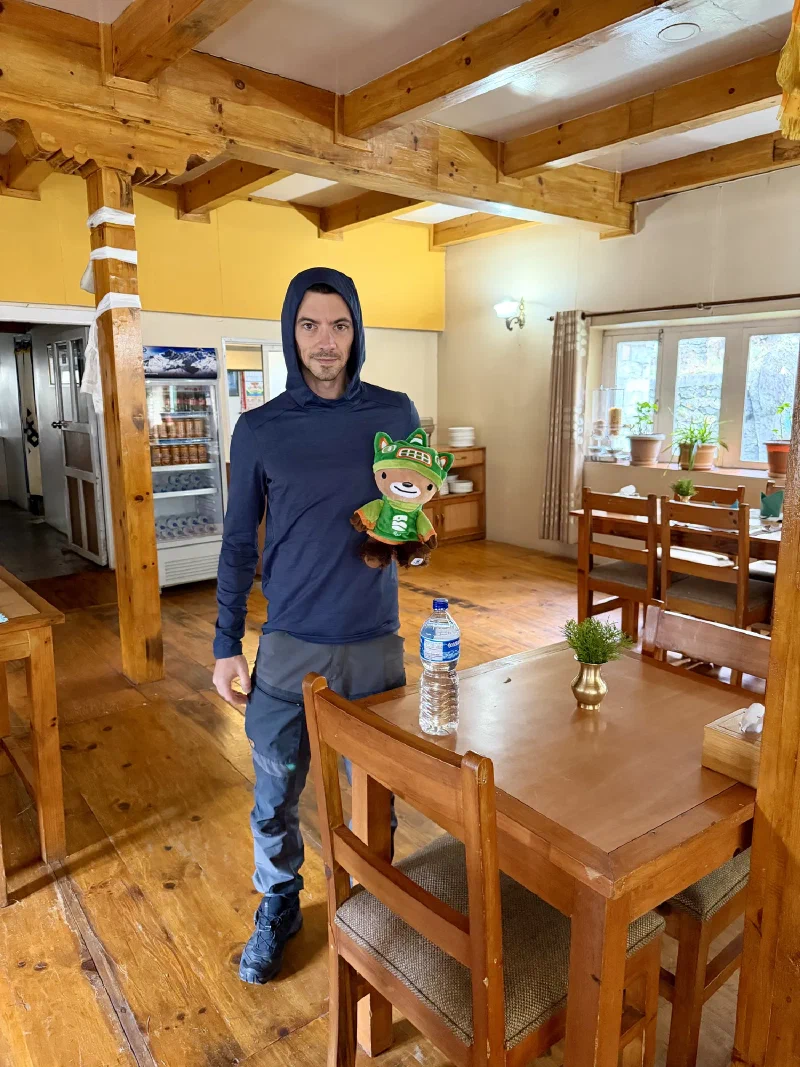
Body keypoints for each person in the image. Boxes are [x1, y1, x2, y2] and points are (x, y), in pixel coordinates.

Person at [212, 267, 419, 984]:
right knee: (275, 787)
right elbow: (240, 541)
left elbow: (414, 511)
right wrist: (223, 644)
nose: (325, 342)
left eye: (338, 324)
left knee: (379, 794)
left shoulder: (396, 413)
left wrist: (414, 534)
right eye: (310, 325)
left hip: (374, 640)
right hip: (289, 643)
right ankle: (280, 902)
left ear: (356, 329)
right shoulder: (261, 427)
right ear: (290, 332)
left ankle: (378, 902)